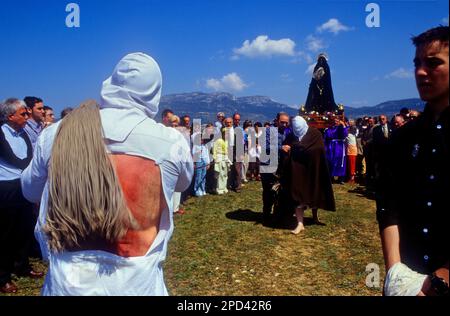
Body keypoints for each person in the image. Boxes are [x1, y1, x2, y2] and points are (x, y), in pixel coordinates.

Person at [21, 52, 193, 296]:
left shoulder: (55, 134)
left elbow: (29, 191)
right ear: (155, 91)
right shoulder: (169, 142)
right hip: (138, 283)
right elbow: (182, 183)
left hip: (67, 283)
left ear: (111, 81)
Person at [377, 26, 449, 296]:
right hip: (409, 276)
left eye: (433, 63)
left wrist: (440, 281)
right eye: (417, 63)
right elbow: (388, 206)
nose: (420, 72)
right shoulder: (403, 137)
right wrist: (396, 274)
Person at [0, 98, 43, 294]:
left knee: (25, 227)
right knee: (6, 232)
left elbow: (28, 155)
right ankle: (3, 276)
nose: (27, 117)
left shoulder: (23, 133)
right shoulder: (1, 133)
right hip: (6, 187)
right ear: (10, 116)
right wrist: (27, 164)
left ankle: (22, 265)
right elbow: (13, 158)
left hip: (22, 183)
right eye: (23, 114)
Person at [285, 116, 336, 234]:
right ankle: (300, 223)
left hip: (313, 169)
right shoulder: (292, 135)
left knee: (314, 192)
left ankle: (315, 216)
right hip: (297, 170)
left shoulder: (315, 134)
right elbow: (287, 145)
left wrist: (302, 150)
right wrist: (287, 148)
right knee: (297, 194)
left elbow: (318, 150)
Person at [324, 118, 349, 183]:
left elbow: (345, 134)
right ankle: (331, 177)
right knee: (331, 162)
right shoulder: (329, 129)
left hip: (340, 147)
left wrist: (343, 125)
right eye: (335, 121)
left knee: (341, 162)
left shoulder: (342, 128)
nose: (336, 122)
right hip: (332, 147)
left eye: (337, 121)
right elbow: (327, 137)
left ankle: (341, 178)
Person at [213, 127, 231, 195]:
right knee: (220, 174)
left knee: (225, 174)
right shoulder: (218, 141)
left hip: (225, 158)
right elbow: (214, 150)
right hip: (219, 158)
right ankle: (219, 189)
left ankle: (224, 188)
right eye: (225, 133)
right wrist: (215, 159)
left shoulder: (226, 141)